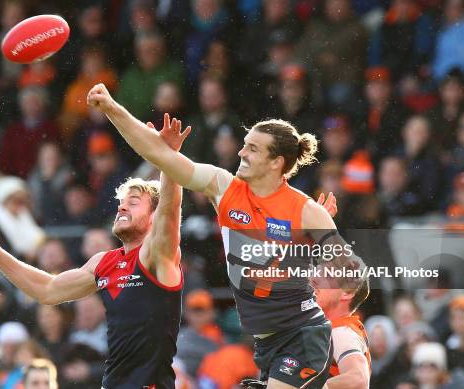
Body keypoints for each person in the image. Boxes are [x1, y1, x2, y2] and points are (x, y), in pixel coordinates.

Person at [87, 83, 348, 389]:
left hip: (302, 334)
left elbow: (354, 277)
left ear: (276, 162)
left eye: (252, 147)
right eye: (244, 144)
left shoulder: (306, 211)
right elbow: (160, 154)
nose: (241, 151)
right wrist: (112, 108)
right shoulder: (223, 187)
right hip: (265, 344)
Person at [0, 116, 189, 388]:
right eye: (121, 203)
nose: (122, 208)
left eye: (133, 203)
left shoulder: (157, 255)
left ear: (153, 217)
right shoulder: (104, 262)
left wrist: (169, 158)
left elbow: (169, 212)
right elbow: (48, 289)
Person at [312, 261, 371, 388]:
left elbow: (358, 378)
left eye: (327, 275)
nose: (314, 278)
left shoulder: (341, 331)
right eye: (317, 271)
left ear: (347, 292)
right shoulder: (328, 328)